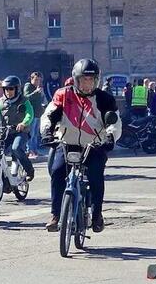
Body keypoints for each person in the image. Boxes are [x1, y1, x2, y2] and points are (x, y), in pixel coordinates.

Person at [41, 59, 122, 233]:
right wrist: (47, 132)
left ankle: (97, 214)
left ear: (96, 80)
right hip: (67, 144)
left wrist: (110, 137)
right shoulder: (63, 94)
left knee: (96, 177)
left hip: (94, 146)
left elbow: (115, 122)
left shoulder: (104, 98)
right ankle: (55, 215)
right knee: (56, 171)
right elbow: (48, 115)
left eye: (91, 80)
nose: (87, 84)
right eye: (84, 80)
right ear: (76, 80)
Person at [0, 75, 36, 181]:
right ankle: (3, 176)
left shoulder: (24, 100)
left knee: (16, 148)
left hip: (20, 132)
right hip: (6, 132)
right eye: (6, 89)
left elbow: (30, 114)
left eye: (11, 89)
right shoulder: (1, 102)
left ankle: (29, 171)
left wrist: (23, 123)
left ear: (17, 89)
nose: (8, 91)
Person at [23, 72, 45, 157]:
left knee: (35, 134)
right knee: (31, 134)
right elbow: (26, 97)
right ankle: (30, 150)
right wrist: (36, 92)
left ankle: (35, 150)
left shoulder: (38, 87)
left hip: (37, 113)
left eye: (39, 80)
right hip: (31, 113)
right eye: (36, 79)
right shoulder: (28, 86)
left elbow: (40, 100)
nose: (37, 82)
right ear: (31, 79)